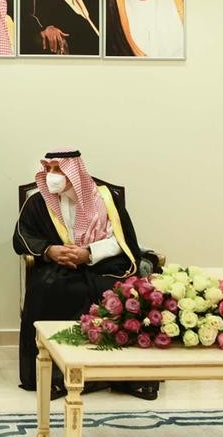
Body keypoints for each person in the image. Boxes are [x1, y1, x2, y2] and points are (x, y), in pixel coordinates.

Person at [13, 148, 160, 400]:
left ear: (75, 172)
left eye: (58, 169)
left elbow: (121, 239)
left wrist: (89, 253)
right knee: (48, 288)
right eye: (48, 169)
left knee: (125, 294)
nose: (52, 175)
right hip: (59, 267)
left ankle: (128, 377)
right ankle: (55, 376)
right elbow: (22, 236)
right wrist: (50, 251)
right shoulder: (39, 202)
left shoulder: (105, 199)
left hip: (102, 265)